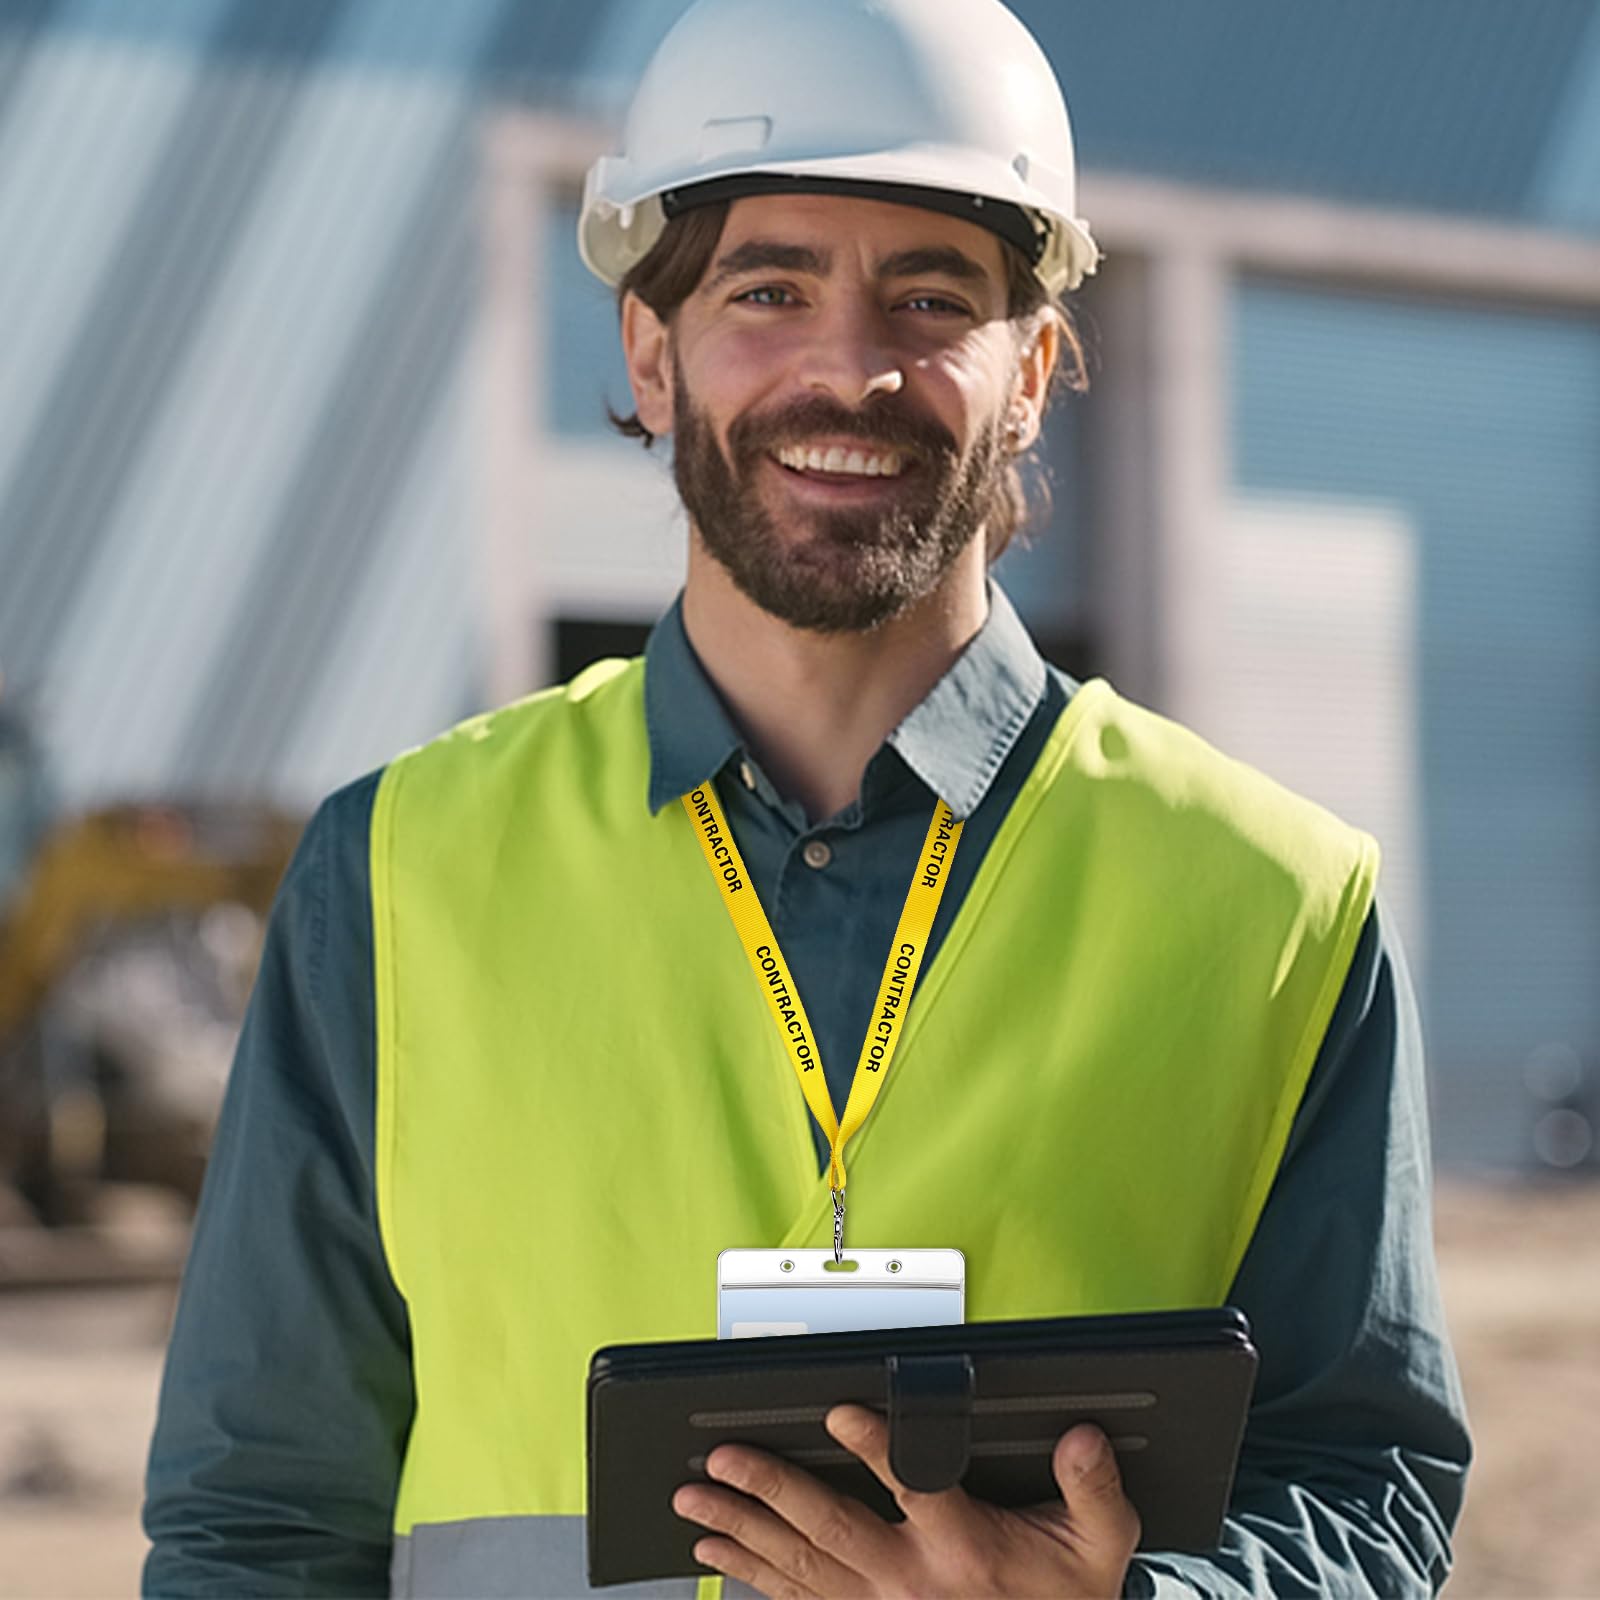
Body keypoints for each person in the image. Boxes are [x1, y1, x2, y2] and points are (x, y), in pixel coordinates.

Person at [142, 0, 1471, 1594]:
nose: (854, 367)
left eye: (933, 296)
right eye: (769, 289)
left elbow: (1368, 1487)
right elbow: (259, 1527)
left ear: (1034, 371)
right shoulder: (398, 876)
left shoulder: (1274, 906)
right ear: (650, 348)